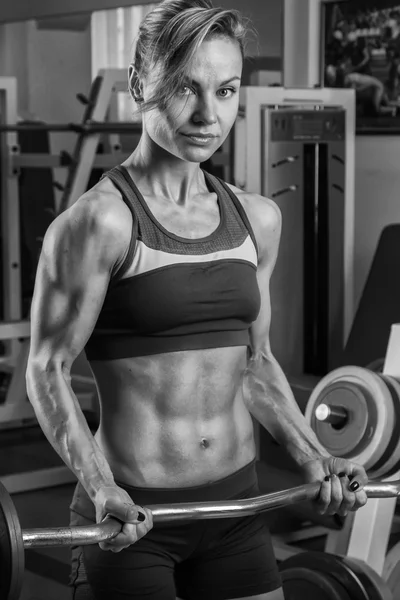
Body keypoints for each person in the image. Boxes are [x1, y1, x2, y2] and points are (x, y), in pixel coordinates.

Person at [26, 1, 369, 599]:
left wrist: (316, 457)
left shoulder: (257, 218)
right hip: (132, 517)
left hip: (239, 505)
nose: (209, 115)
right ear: (140, 83)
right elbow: (47, 368)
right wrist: (100, 485)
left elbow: (256, 364)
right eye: (187, 88)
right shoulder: (98, 223)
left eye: (228, 90)